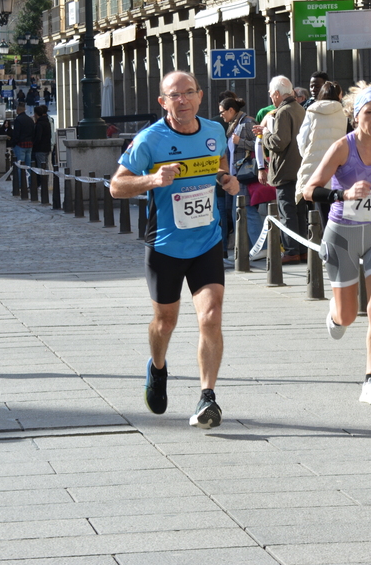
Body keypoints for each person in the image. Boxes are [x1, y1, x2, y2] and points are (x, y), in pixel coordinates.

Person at [109, 71, 240, 429]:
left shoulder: (215, 131)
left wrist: (227, 181)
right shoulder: (150, 140)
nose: (182, 100)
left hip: (207, 241)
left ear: (200, 96)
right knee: (165, 323)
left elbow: (220, 169)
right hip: (165, 245)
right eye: (174, 95)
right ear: (162, 102)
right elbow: (116, 186)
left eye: (188, 93)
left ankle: (207, 397)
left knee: (211, 316)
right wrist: (152, 179)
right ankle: (158, 366)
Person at [303, 83, 371, 405]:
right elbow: (311, 190)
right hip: (342, 237)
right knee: (349, 316)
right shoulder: (341, 148)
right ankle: (336, 316)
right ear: (355, 116)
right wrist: (343, 194)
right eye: (369, 113)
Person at [261, 76, 307, 263]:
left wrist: (264, 134)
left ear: (278, 94)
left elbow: (279, 142)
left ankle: (291, 250)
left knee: (287, 212)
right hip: (300, 168)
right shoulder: (299, 109)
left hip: (285, 169)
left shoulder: (283, 112)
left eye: (272, 94)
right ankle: (303, 249)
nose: (271, 98)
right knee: (300, 212)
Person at [296, 80, 348, 222]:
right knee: (339, 208)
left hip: (318, 167)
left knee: (322, 209)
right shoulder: (344, 113)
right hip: (339, 168)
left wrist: (308, 154)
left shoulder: (312, 111)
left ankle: (326, 240)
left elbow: (303, 140)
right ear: (338, 96)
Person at [218, 96, 262, 256]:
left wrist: (240, 141)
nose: (221, 115)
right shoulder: (233, 125)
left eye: (223, 112)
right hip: (235, 175)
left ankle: (260, 248)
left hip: (245, 175)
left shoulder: (246, 122)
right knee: (238, 213)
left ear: (231, 110)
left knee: (247, 211)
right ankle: (247, 251)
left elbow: (260, 144)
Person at [10, 102, 35, 192]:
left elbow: (16, 133)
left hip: (20, 144)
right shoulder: (30, 119)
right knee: (28, 166)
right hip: (29, 144)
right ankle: (30, 183)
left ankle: (21, 184)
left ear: (18, 110)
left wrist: (13, 143)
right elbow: (33, 132)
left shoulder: (18, 120)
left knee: (20, 165)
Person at [32, 104, 52, 169]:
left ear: (36, 114)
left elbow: (38, 137)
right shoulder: (47, 121)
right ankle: (46, 178)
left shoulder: (39, 124)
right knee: (45, 166)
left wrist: (34, 144)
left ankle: (43, 179)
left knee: (41, 167)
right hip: (47, 147)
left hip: (40, 148)